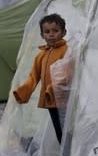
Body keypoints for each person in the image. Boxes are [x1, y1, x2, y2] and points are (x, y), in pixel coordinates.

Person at [13, 13, 68, 144]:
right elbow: (34, 76)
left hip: (63, 99)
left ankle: (71, 151)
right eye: (47, 32)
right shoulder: (41, 56)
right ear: (42, 35)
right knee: (59, 129)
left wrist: (53, 88)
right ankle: (65, 151)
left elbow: (67, 72)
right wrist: (23, 92)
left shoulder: (66, 50)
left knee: (67, 128)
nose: (51, 34)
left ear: (64, 32)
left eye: (55, 31)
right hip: (50, 100)